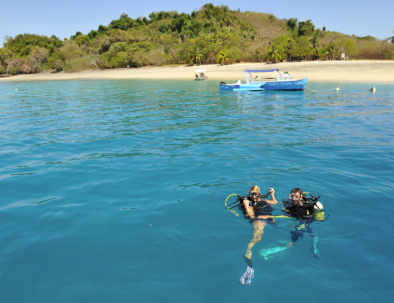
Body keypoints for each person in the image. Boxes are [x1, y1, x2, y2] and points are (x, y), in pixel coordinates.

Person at [239, 185, 277, 285]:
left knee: (276, 225)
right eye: (252, 194)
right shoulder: (249, 203)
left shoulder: (262, 200)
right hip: (258, 221)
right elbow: (251, 216)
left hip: (267, 216)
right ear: (249, 194)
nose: (254, 197)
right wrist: (246, 206)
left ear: (259, 194)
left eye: (256, 194)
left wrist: (272, 195)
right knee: (258, 237)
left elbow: (275, 203)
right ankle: (248, 250)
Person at [282, 188, 320, 259]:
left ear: (301, 197)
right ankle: (293, 242)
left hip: (307, 219)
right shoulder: (291, 204)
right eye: (292, 196)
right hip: (299, 217)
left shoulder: (306, 207)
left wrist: (301, 225)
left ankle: (312, 244)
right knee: (297, 227)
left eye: (296, 196)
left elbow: (310, 218)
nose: (293, 199)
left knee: (299, 229)